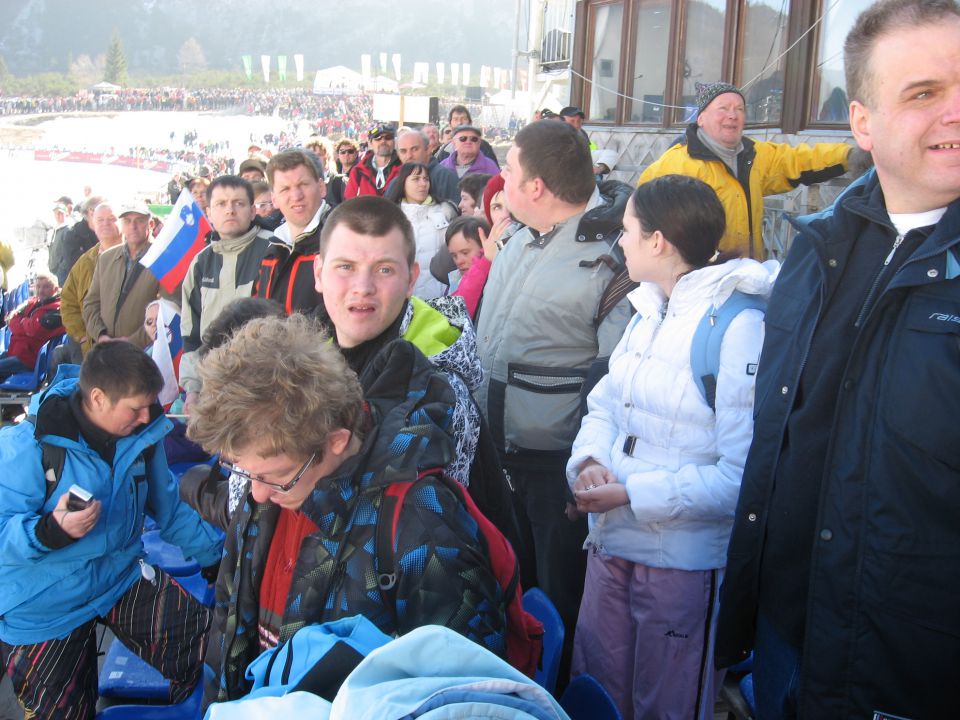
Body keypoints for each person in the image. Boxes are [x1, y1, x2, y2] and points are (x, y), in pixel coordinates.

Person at [715, 2, 960, 718]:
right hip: (788, 637)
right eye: (925, 93)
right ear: (862, 123)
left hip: (908, 671)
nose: (955, 113)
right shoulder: (815, 250)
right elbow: (783, 439)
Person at [187, 314, 507, 707]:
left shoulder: (423, 527)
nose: (258, 494)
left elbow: (465, 699)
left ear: (336, 441)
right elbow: (228, 617)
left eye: (278, 477)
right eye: (243, 471)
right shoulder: (267, 482)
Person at [568, 175, 775, 720]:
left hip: (681, 567)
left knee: (670, 703)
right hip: (612, 546)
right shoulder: (649, 309)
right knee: (600, 693)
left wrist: (631, 492)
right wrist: (590, 462)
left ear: (658, 241)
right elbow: (606, 405)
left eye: (627, 230)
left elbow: (741, 478)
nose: (620, 241)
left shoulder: (738, 325)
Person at [474, 120, 634, 681]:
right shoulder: (518, 234)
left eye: (509, 171)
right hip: (496, 457)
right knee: (506, 592)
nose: (501, 182)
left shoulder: (617, 253)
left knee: (560, 600)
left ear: (537, 185)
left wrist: (586, 467)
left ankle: (561, 697)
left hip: (556, 471)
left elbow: (614, 378)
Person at [0, 341, 222, 719]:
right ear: (98, 398)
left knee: (209, 645)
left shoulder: (142, 438)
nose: (146, 416)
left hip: (118, 576)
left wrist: (214, 557)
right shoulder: (25, 448)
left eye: (149, 404)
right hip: (42, 606)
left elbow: (170, 511)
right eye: (135, 408)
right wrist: (48, 532)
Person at [313, 197, 482, 487]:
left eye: (384, 269)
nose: (363, 287)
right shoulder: (298, 359)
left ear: (411, 279)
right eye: (345, 267)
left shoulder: (438, 391)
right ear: (318, 273)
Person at [638, 81, 855, 259]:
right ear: (701, 118)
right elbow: (644, 220)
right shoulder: (677, 163)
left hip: (749, 275)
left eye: (739, 109)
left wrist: (849, 156)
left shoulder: (755, 154)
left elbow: (798, 159)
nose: (732, 115)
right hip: (700, 282)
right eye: (723, 108)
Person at [179, 175, 272, 415]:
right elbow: (190, 334)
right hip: (214, 387)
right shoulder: (200, 262)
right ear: (208, 212)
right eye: (221, 204)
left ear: (253, 211)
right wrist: (193, 389)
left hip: (265, 386)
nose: (230, 210)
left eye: (238, 203)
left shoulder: (275, 250)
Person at [254, 150, 331, 316]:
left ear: (321, 187)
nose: (296, 196)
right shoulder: (272, 248)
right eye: (285, 189)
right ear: (274, 199)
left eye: (303, 184)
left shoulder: (339, 240)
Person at [82, 201, 168, 350]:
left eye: (139, 221)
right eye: (127, 221)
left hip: (145, 352)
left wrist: (132, 342)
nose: (133, 226)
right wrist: (101, 335)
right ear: (122, 225)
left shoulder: (164, 260)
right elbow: (91, 304)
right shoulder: (106, 258)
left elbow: (167, 309)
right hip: (106, 350)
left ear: (151, 224)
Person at [385, 162, 458, 299]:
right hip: (403, 296)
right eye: (416, 179)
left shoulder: (446, 212)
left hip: (440, 295)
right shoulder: (391, 217)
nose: (423, 184)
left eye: (426, 179)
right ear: (403, 183)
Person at [0, 271, 63, 380]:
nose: (40, 291)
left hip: (29, 359)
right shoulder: (33, 303)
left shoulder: (56, 310)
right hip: (17, 351)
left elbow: (35, 330)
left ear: (56, 289)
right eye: (38, 287)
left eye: (46, 287)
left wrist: (23, 321)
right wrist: (26, 324)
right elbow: (12, 321)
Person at [388, 128, 460, 204]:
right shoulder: (396, 183)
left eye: (414, 149)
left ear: (428, 149)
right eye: (403, 151)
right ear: (398, 155)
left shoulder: (446, 178)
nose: (409, 156)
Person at [344, 123, 401, 198]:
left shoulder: (404, 170)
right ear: (370, 143)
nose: (383, 141)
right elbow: (349, 203)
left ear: (394, 142)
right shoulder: (358, 172)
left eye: (388, 137)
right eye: (378, 138)